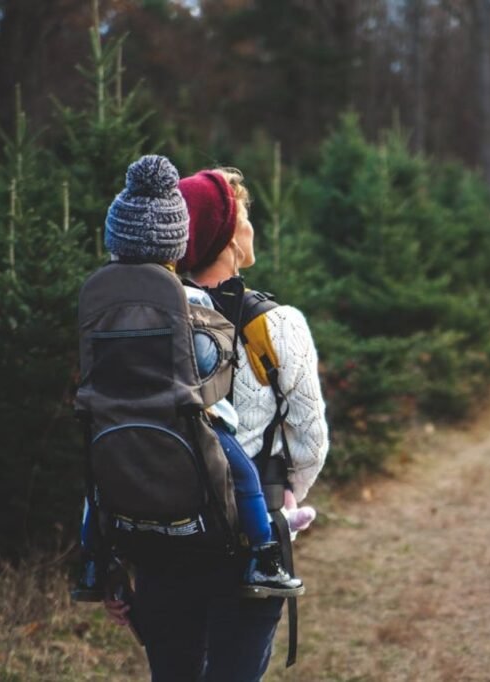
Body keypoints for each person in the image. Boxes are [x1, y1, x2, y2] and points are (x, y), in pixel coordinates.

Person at [105, 163, 329, 681]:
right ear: (228, 236)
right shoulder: (276, 324)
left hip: (160, 539)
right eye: (245, 215)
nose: (251, 225)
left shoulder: (144, 322)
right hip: (246, 549)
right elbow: (310, 442)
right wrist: (285, 500)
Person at [71, 155, 306, 603]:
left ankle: (91, 562)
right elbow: (205, 358)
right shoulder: (187, 297)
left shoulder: (99, 296)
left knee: (96, 483)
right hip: (182, 414)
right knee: (242, 474)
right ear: (175, 244)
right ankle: (265, 557)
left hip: (111, 414)